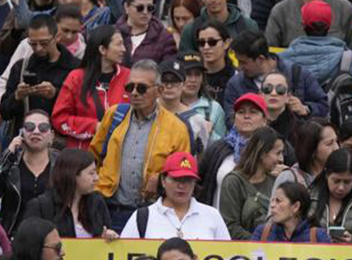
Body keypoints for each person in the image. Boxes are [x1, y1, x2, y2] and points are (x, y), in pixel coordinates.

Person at [91, 61, 192, 230]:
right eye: (130, 87)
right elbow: (93, 156)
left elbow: (182, 173)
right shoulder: (114, 115)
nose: (135, 93)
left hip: (152, 213)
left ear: (159, 90)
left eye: (142, 88)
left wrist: (159, 181)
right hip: (109, 209)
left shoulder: (177, 128)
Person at [53, 25, 132, 151]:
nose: (123, 49)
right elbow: (59, 119)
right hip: (83, 156)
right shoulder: (76, 78)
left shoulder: (129, 77)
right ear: (102, 49)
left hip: (118, 155)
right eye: (119, 44)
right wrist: (94, 126)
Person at [121, 151, 230, 240]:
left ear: (195, 183)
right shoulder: (143, 217)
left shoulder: (212, 215)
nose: (181, 185)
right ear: (163, 181)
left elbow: (228, 258)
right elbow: (123, 255)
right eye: (176, 179)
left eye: (187, 180)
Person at [26, 148, 115, 240]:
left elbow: (105, 233)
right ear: (72, 175)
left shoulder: (97, 203)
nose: (96, 178)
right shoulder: (41, 206)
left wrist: (109, 237)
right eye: (91, 173)